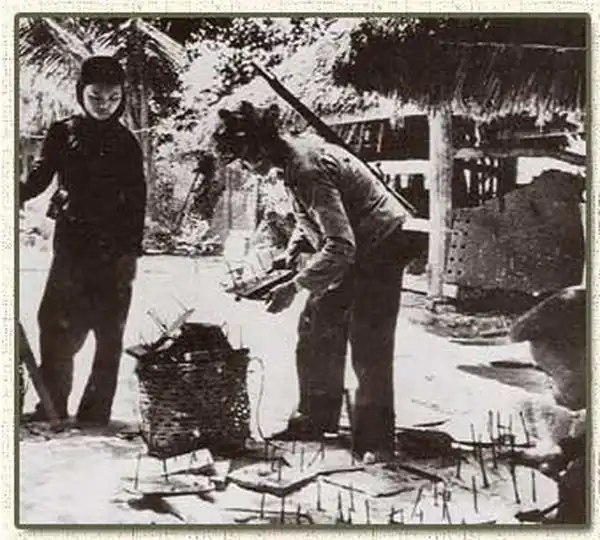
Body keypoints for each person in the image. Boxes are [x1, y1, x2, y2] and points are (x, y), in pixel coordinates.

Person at [212, 101, 421, 460]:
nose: (245, 168)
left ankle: (376, 441)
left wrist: (294, 286)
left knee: (368, 341)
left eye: (245, 160)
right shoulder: (292, 158)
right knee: (316, 325)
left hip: (383, 242)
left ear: (261, 149)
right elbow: (312, 215)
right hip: (354, 240)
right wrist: (293, 252)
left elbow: (340, 245)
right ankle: (315, 418)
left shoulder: (306, 167)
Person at [20, 56, 147, 425]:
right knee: (55, 323)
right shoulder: (63, 132)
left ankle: (96, 412)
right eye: (95, 97)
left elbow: (137, 201)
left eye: (112, 98)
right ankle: (53, 405)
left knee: (108, 332)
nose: (103, 105)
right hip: (72, 245)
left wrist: (131, 253)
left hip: (115, 250)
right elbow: (40, 176)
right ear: (81, 93)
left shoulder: (126, 142)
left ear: (121, 98)